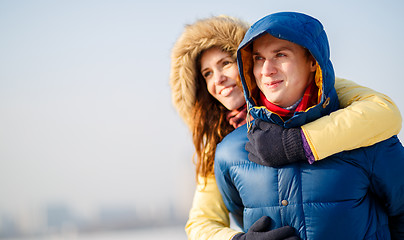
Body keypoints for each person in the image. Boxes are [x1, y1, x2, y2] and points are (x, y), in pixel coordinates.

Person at [169, 16, 403, 240]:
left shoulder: (314, 88)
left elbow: (382, 112)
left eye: (226, 63)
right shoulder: (222, 145)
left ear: (244, 64)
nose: (217, 79)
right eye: (207, 73)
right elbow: (204, 222)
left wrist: (297, 143)